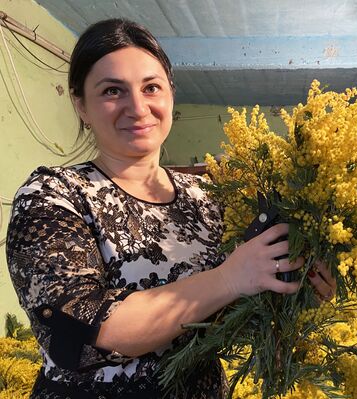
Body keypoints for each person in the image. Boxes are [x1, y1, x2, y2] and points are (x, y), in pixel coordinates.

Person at [5, 18, 336, 398]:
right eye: (113, 90)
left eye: (151, 88)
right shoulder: (53, 194)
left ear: (171, 96)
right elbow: (76, 331)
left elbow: (232, 312)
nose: (137, 107)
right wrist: (230, 277)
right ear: (80, 104)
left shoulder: (207, 198)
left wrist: (299, 284)